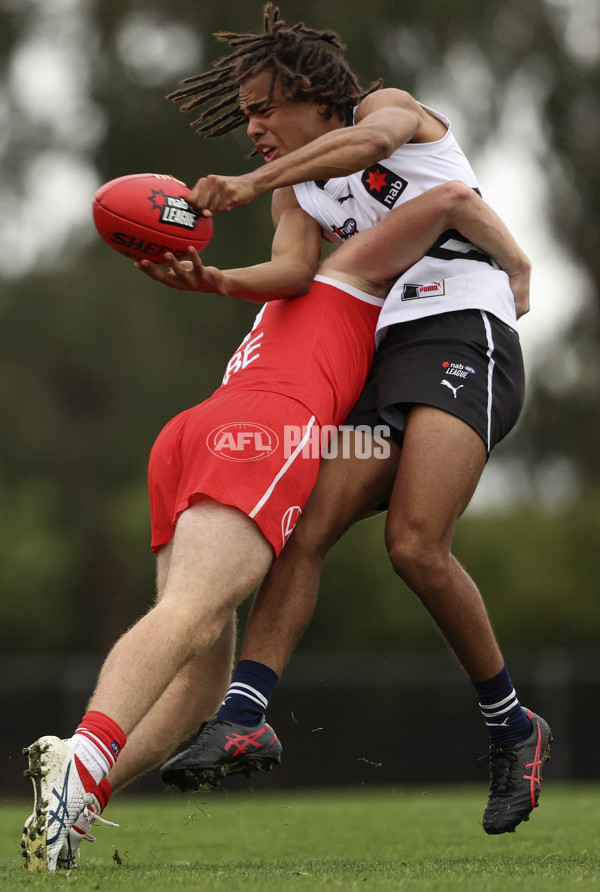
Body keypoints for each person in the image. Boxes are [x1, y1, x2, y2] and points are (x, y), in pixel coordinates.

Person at [20, 178, 527, 872]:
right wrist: (517, 268)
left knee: (201, 683)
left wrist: (282, 193)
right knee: (193, 614)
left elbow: (292, 233)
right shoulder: (355, 271)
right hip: (263, 428)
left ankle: (75, 801)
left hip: (194, 430)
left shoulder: (298, 279)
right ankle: (82, 754)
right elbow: (445, 202)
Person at [144, 3, 550, 837]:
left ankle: (514, 728)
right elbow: (295, 271)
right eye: (247, 113)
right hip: (385, 365)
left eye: (264, 107)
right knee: (306, 526)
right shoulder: (296, 183)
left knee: (414, 543)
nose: (252, 126)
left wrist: (253, 182)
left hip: (460, 336)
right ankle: (247, 712)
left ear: (315, 95)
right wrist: (215, 281)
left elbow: (370, 148)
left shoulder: (383, 112)